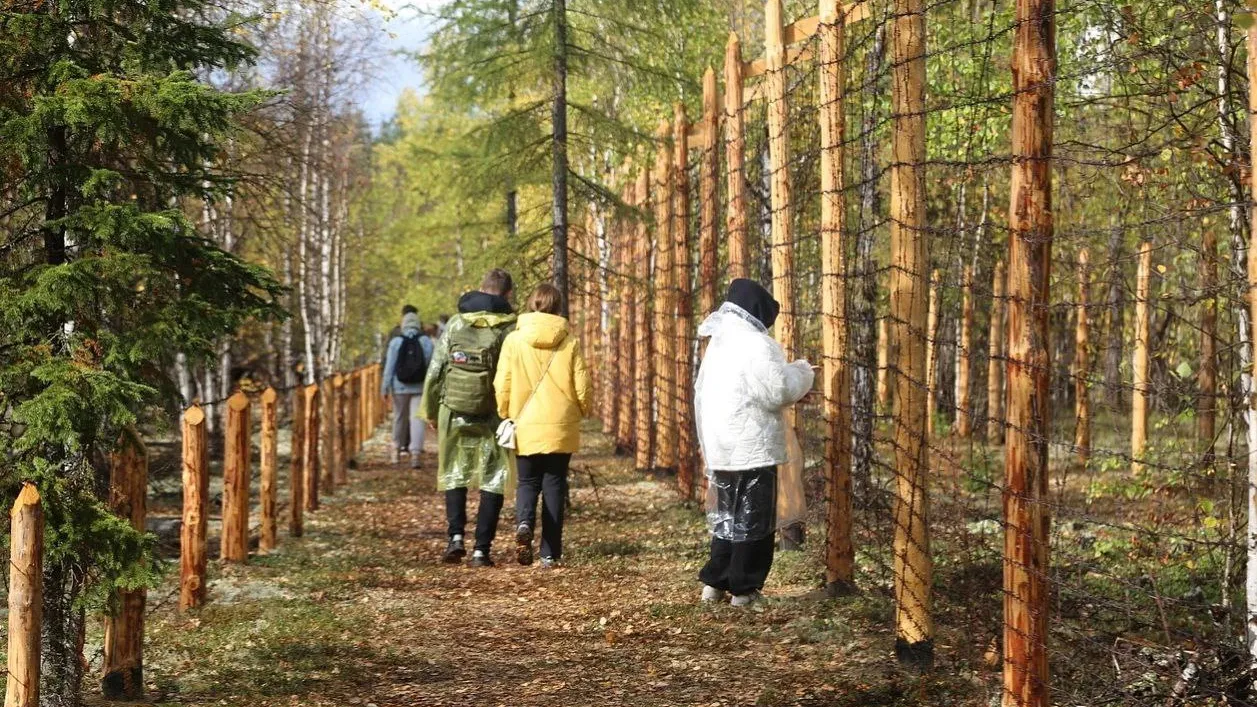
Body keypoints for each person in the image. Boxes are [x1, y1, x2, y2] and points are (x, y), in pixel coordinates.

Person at [693, 278, 814, 607]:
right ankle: (744, 590)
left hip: (721, 446)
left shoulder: (719, 342)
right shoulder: (756, 344)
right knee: (755, 520)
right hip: (752, 448)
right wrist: (803, 371)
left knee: (727, 517)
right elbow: (777, 391)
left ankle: (715, 583)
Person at [420, 269, 518, 567]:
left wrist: (431, 410)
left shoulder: (455, 323)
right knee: (493, 477)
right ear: (508, 294)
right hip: (494, 413)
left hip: (454, 408)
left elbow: (436, 370)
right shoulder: (509, 328)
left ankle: (455, 538)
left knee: (454, 471)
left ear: (480, 288)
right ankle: (481, 551)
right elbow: (513, 373)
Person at [494, 284, 591, 568]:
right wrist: (583, 409)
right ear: (558, 307)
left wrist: (504, 411)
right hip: (560, 423)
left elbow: (503, 382)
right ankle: (549, 553)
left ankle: (524, 523)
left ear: (531, 304)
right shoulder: (569, 341)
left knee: (527, 481)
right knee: (554, 485)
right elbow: (582, 383)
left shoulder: (514, 340)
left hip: (525, 423)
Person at [381, 310, 434, 468]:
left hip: (399, 387)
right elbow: (432, 366)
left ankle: (395, 452)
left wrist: (384, 388)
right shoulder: (425, 341)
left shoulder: (396, 342)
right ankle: (416, 455)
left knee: (399, 418)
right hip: (419, 386)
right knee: (417, 419)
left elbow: (389, 367)